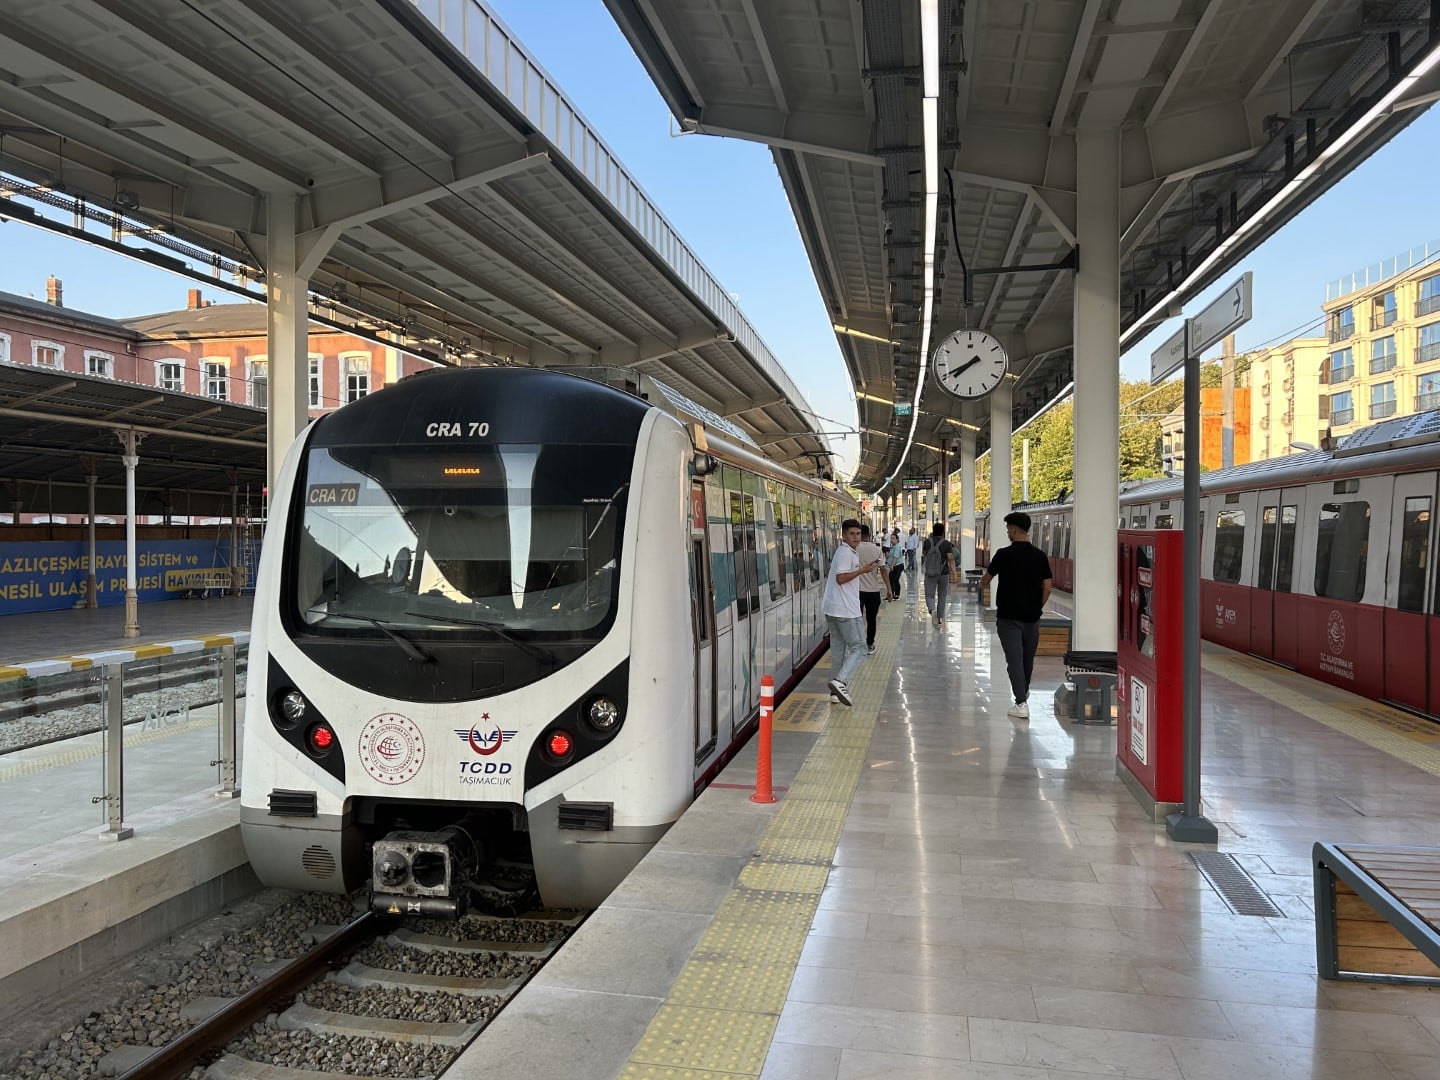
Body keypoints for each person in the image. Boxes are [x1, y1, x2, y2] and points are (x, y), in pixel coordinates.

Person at [980, 511, 1053, 719]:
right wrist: (1037, 606)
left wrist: (983, 585)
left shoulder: (1003, 554)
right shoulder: (1040, 556)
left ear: (1013, 530)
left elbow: (986, 580)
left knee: (1014, 659)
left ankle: (1021, 703)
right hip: (1032, 617)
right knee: (1027, 659)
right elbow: (1048, 587)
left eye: (1007, 530)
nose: (1007, 533)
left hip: (1008, 618)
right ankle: (1023, 692)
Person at [821, 518, 877, 707]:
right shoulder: (846, 553)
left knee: (838, 649)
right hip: (846, 610)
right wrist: (863, 570)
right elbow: (841, 578)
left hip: (832, 608)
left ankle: (834, 694)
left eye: (858, 534)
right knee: (860, 648)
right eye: (851, 534)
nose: (855, 537)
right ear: (844, 535)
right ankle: (840, 682)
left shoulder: (843, 551)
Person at [856, 524, 893, 653]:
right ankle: (870, 644)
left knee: (857, 619)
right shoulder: (876, 549)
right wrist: (889, 589)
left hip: (856, 592)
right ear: (870, 534)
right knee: (871, 620)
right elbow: (883, 570)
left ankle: (858, 644)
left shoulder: (854, 548)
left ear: (859, 534)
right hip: (873, 591)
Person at [920, 521, 957, 629]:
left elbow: (925, 555)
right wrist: (954, 574)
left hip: (930, 573)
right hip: (944, 573)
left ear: (933, 531)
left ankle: (932, 609)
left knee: (929, 595)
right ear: (942, 532)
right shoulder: (947, 543)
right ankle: (940, 619)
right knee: (942, 596)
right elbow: (950, 558)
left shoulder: (927, 542)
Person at [886, 531, 905, 599]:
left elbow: (895, 557)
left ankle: (892, 595)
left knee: (891, 580)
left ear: (897, 539)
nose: (892, 540)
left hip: (897, 566)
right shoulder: (894, 546)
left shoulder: (897, 546)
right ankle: (896, 595)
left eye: (893, 538)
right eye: (891, 538)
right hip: (898, 565)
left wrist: (892, 566)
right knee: (895, 580)